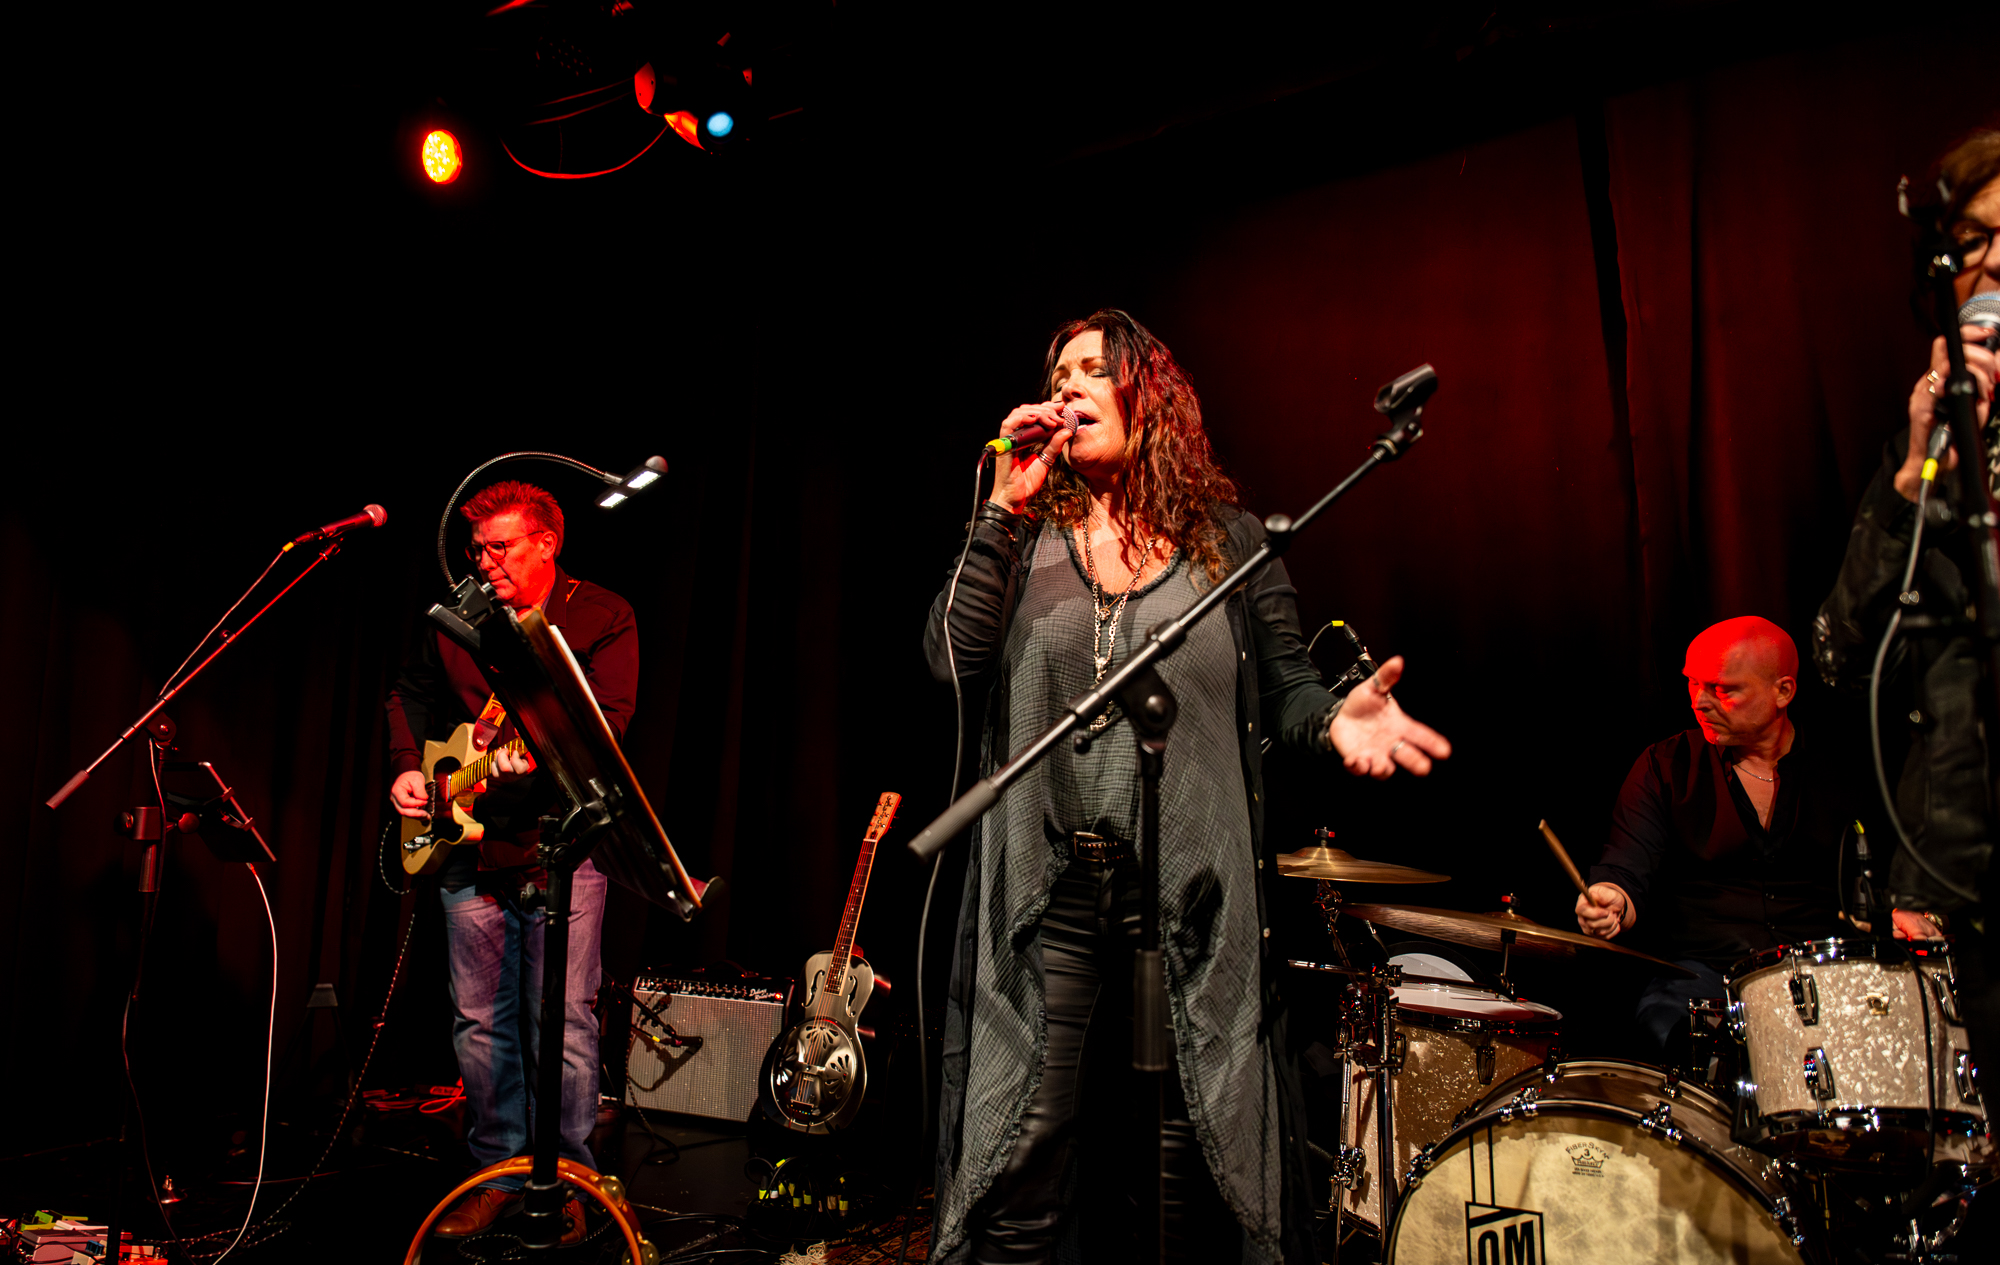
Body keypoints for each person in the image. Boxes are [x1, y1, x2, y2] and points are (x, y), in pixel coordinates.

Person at [924, 309, 1451, 1264]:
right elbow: (952, 663)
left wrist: (1336, 718)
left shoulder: (1229, 540)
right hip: (1049, 893)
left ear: (1150, 397)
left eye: (1096, 369)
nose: (1070, 386)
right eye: (1060, 374)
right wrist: (1000, 509)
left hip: (1189, 896)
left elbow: (1286, 686)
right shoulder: (1025, 536)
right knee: (1019, 1154)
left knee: (1185, 1163)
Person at [386, 480, 638, 1242]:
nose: (485, 562)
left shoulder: (601, 616)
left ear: (546, 544)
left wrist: (540, 759)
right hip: (467, 841)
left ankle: (569, 1179)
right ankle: (494, 1171)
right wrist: (407, 765)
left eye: (500, 547)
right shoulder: (459, 617)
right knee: (477, 1022)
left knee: (562, 1021)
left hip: (560, 846)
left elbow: (608, 725)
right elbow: (410, 691)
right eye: (478, 549)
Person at [1815, 126, 1999, 1062]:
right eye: (1973, 239)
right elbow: (1839, 650)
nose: (1992, 261)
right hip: (1959, 879)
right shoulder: (1923, 454)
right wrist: (1916, 468)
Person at [1574, 617, 1926, 1059]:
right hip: (1705, 977)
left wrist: (1909, 908)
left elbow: (1904, 865)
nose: (1699, 701)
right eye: (1693, 683)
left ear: (1783, 692)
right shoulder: (1665, 766)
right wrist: (1613, 900)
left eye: (1722, 689)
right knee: (1665, 1027)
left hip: (1829, 970)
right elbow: (1626, 866)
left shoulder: (1847, 768)